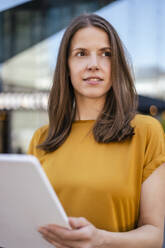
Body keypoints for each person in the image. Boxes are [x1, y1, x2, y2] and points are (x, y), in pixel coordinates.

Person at [28, 14, 165, 247]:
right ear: (67, 67)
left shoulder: (146, 131)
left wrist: (100, 239)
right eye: (81, 53)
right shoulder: (42, 138)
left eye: (106, 54)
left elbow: (154, 236)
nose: (94, 64)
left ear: (117, 65)